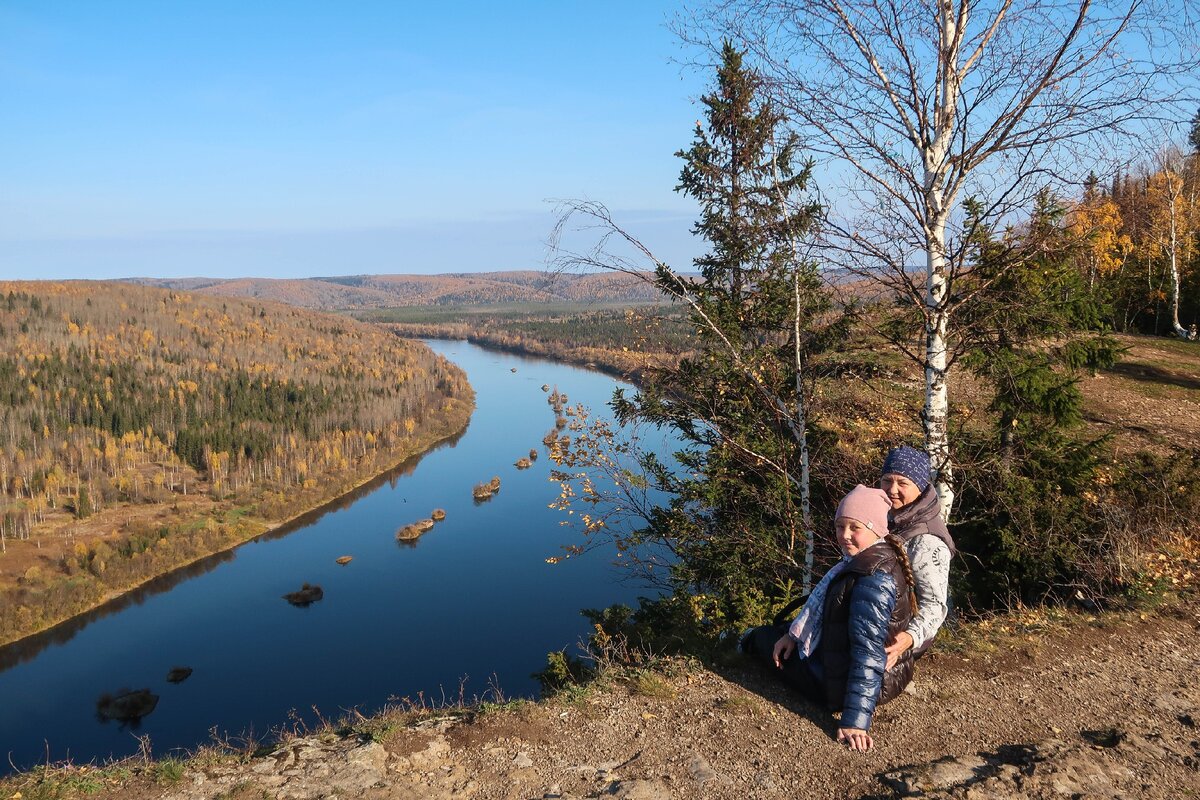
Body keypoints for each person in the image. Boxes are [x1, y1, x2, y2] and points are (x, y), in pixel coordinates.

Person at [740, 485, 916, 751]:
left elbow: (868, 653)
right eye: (839, 527)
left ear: (876, 528)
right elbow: (830, 618)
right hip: (861, 671)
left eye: (854, 527)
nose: (844, 536)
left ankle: (744, 640)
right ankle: (768, 637)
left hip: (842, 685)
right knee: (781, 638)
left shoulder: (872, 580)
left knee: (765, 642)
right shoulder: (870, 560)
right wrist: (792, 633)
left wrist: (855, 721)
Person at [877, 445, 956, 670]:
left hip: (903, 636)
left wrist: (908, 638)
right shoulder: (891, 516)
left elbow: (934, 605)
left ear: (920, 488)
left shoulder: (927, 540)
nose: (892, 490)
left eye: (902, 483)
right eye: (886, 481)